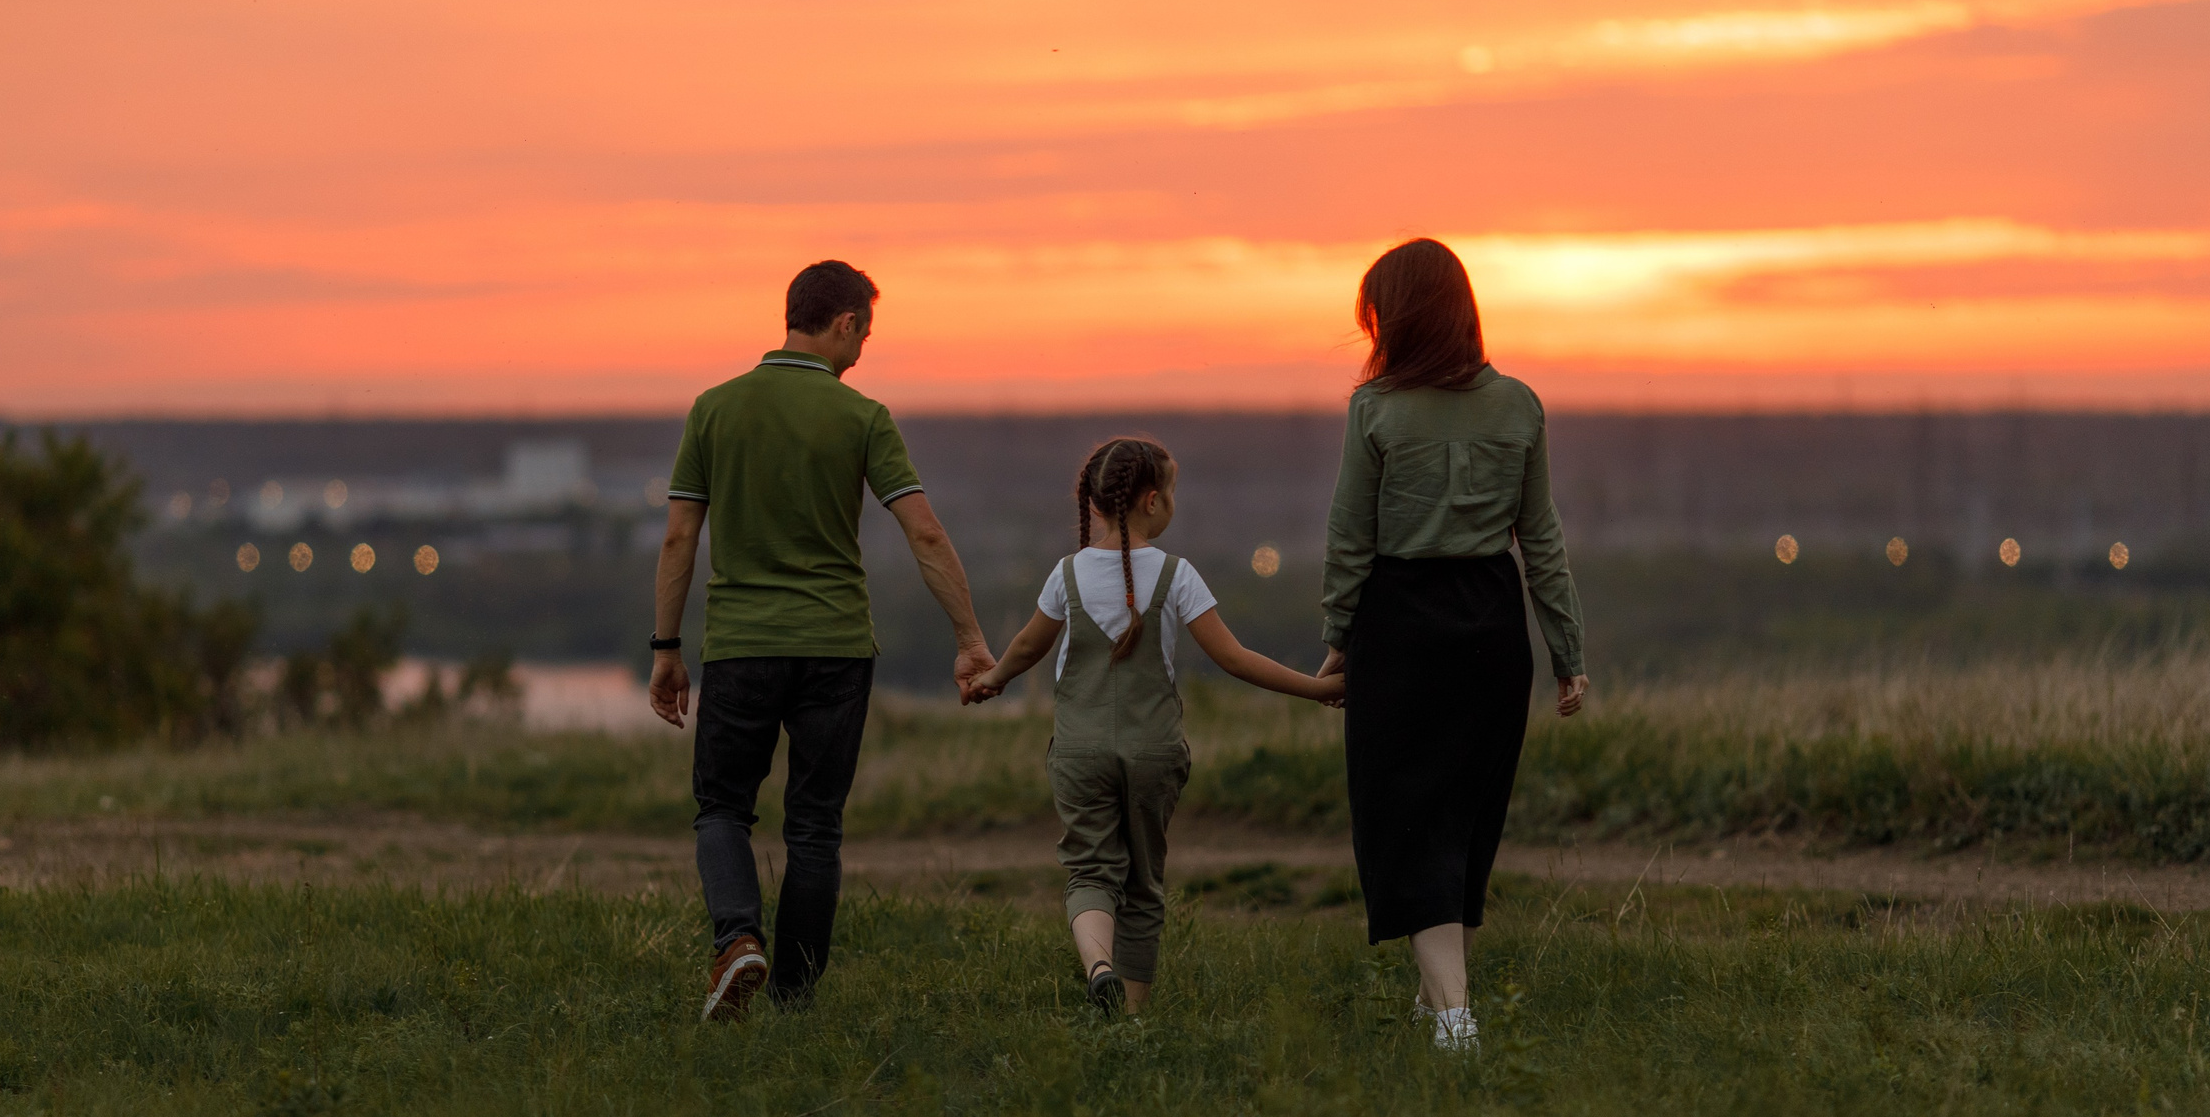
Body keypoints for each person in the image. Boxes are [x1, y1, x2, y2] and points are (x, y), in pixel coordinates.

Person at [650, 260, 997, 1020]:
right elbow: (926, 532)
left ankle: (738, 938)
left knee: (721, 808)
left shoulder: (714, 408)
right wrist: (970, 639)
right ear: (843, 324)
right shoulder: (862, 417)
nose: (863, 352)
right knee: (814, 824)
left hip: (741, 645)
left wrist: (666, 648)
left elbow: (680, 537)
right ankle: (795, 1004)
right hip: (837, 647)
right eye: (863, 334)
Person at [1317, 240, 1587, 1053]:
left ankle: (1455, 1017)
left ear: (1398, 317)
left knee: (1405, 820)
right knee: (1466, 817)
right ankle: (1439, 1001)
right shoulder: (1521, 405)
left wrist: (1337, 639)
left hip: (1400, 624)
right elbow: (1541, 539)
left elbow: (1348, 540)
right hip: (1493, 624)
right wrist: (1567, 649)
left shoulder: (1376, 409)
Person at [971, 436, 1346, 1015]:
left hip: (1080, 753)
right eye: (1172, 492)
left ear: (1093, 502)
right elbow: (1235, 659)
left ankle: (1098, 967)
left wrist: (992, 677)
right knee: (1143, 882)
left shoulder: (1066, 575)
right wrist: (1317, 688)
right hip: (1153, 754)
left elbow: (1027, 646)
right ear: (1150, 501)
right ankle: (1134, 1018)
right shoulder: (1177, 575)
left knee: (1090, 871)